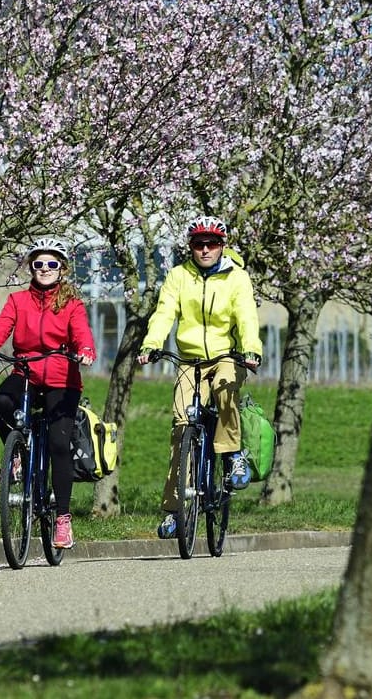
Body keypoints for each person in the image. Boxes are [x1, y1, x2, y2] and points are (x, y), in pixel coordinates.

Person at [0, 236, 97, 550]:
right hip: (26, 371)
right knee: (1, 400)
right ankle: (19, 456)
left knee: (58, 443)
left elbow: (81, 333)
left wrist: (86, 350)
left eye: (52, 264)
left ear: (62, 268)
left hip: (62, 378)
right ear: (31, 268)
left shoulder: (72, 303)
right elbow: (0, 328)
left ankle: (63, 519)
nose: (45, 269)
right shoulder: (17, 301)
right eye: (39, 264)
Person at [138, 215, 263, 539]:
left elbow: (246, 316)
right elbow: (165, 312)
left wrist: (250, 349)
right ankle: (174, 512)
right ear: (190, 247)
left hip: (226, 356)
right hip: (189, 360)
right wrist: (152, 344)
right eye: (198, 244)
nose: (205, 249)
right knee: (182, 431)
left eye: (212, 243)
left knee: (224, 389)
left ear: (222, 246)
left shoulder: (237, 278)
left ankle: (234, 456)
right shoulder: (178, 276)